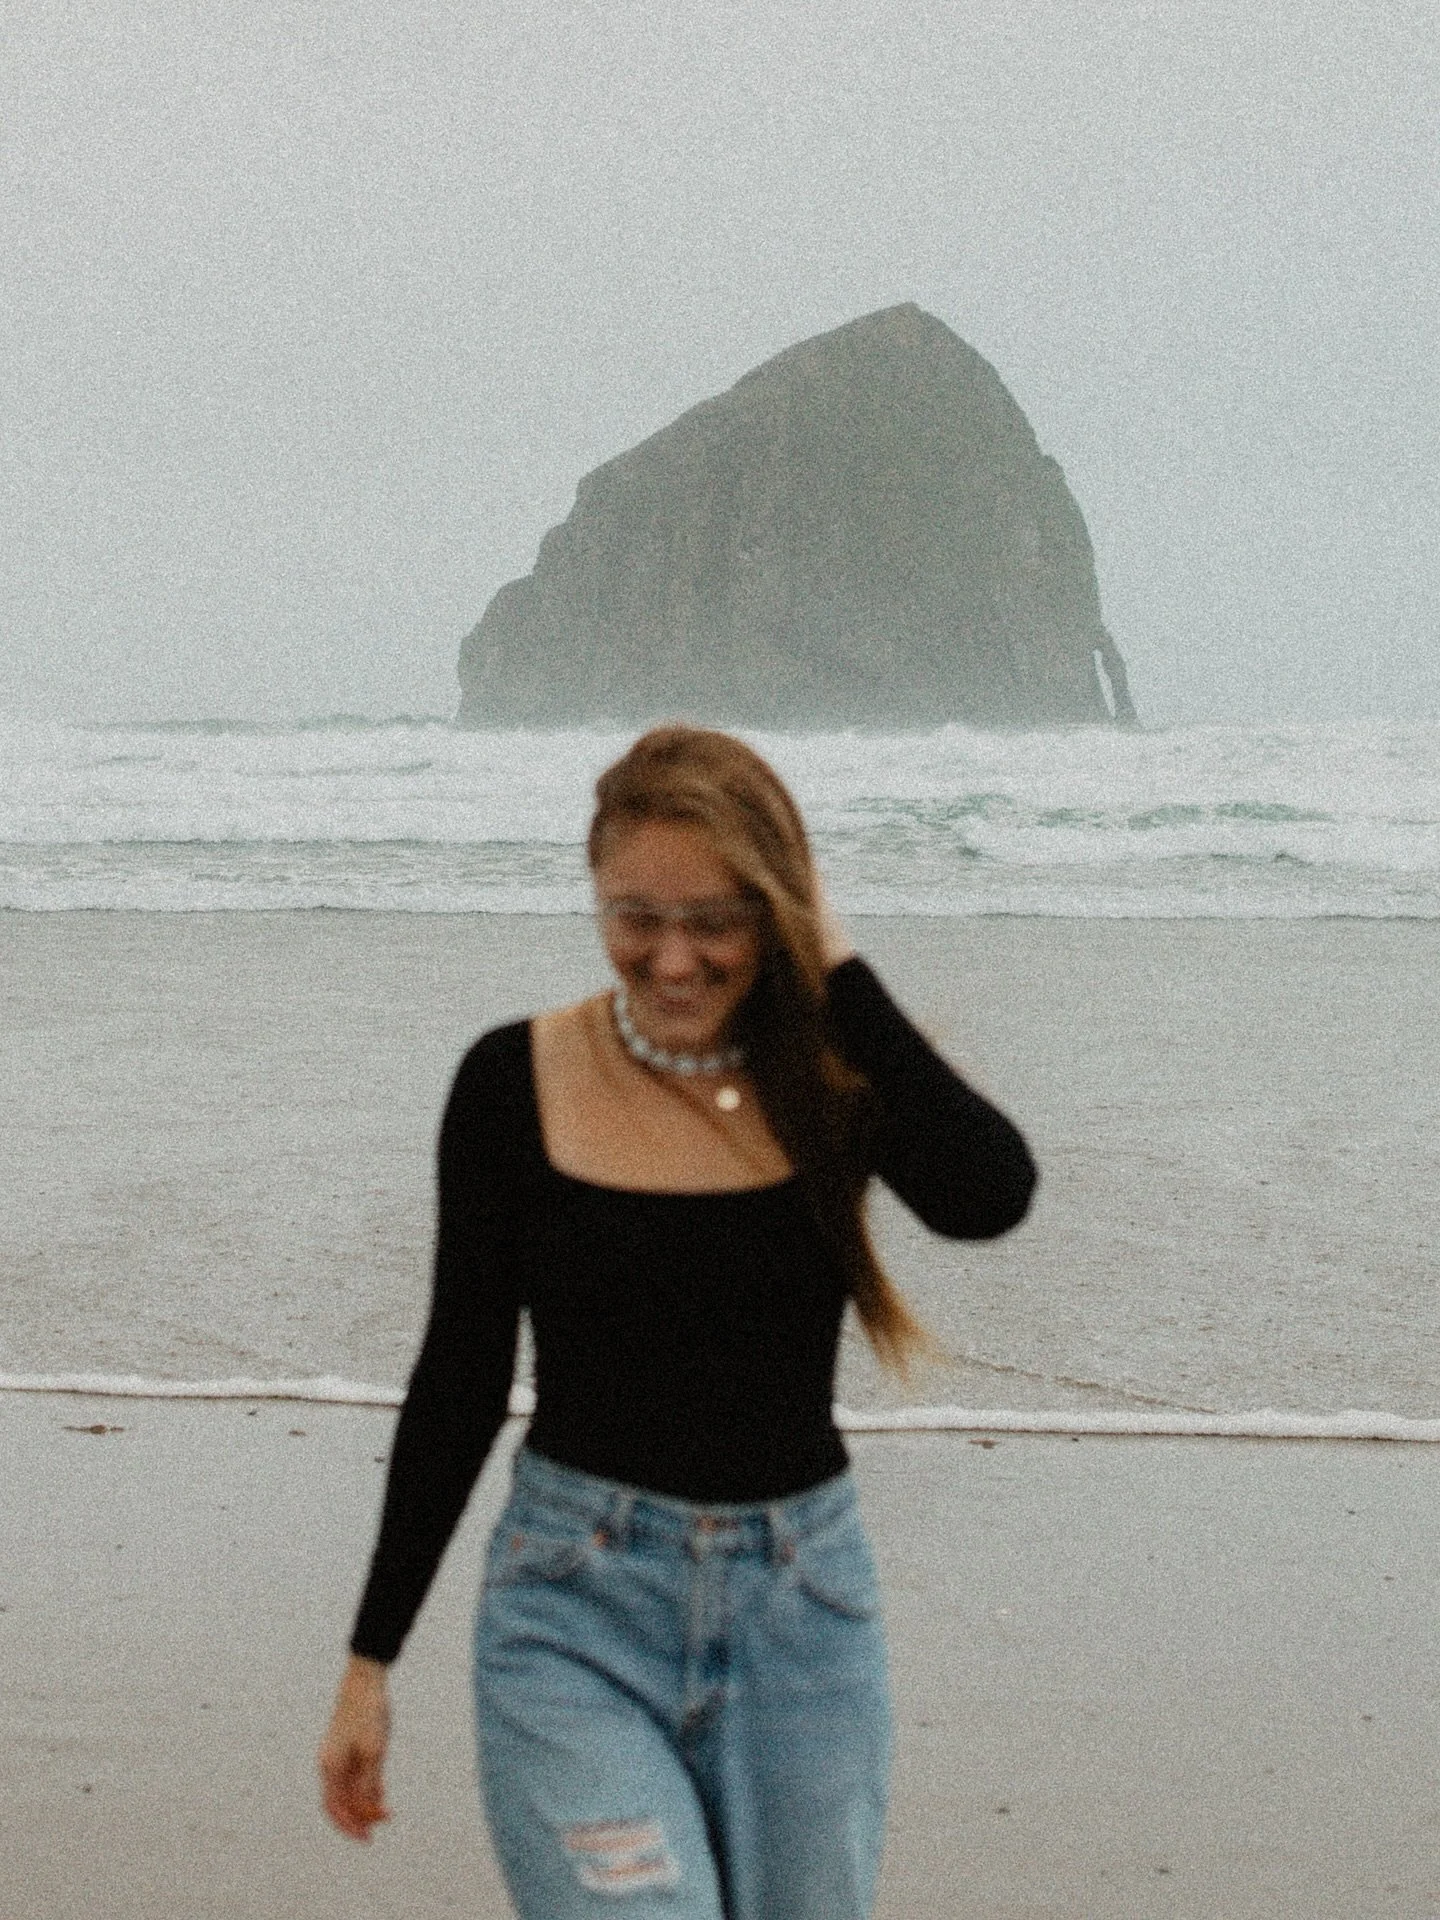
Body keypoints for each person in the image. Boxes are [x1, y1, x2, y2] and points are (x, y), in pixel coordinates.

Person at [318, 724, 1036, 1919]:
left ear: (778, 906)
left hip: (803, 1619)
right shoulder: (513, 1081)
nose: (673, 959)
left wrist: (837, 966)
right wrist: (369, 1660)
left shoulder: (832, 1083)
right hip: (572, 1614)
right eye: (633, 917)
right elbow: (460, 1373)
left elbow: (989, 1194)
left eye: (718, 919)